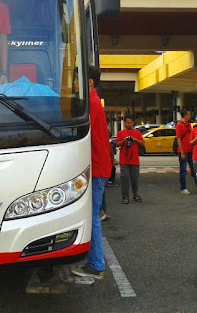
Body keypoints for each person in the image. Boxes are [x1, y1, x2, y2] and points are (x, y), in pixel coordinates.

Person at [72, 65, 112, 280]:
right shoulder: (93, 102)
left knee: (93, 216)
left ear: (89, 83)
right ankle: (93, 260)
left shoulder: (92, 104)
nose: (75, 84)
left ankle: (96, 265)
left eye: (78, 80)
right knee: (92, 215)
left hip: (97, 168)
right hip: (98, 166)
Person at [116, 115, 144, 204]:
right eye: (127, 122)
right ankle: (125, 197)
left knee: (135, 179)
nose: (129, 124)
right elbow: (117, 144)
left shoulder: (137, 133)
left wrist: (135, 140)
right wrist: (124, 141)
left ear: (133, 123)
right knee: (124, 179)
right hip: (124, 160)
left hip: (134, 160)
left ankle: (135, 194)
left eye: (130, 122)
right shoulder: (121, 133)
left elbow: (143, 143)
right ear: (124, 123)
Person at [176, 108, 197, 194]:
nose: (190, 116)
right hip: (184, 151)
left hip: (190, 150)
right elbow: (179, 139)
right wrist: (182, 151)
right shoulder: (180, 125)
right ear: (185, 115)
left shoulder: (189, 125)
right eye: (189, 114)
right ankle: (183, 187)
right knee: (183, 170)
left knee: (194, 169)